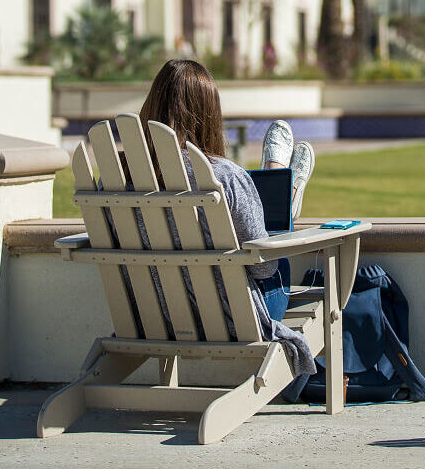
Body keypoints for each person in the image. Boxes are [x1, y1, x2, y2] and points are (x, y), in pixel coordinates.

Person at [130, 58, 317, 375]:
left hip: (158, 315)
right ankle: (285, 191)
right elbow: (266, 268)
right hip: (236, 317)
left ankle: (282, 186)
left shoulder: (120, 179)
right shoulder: (226, 177)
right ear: (209, 115)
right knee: (274, 243)